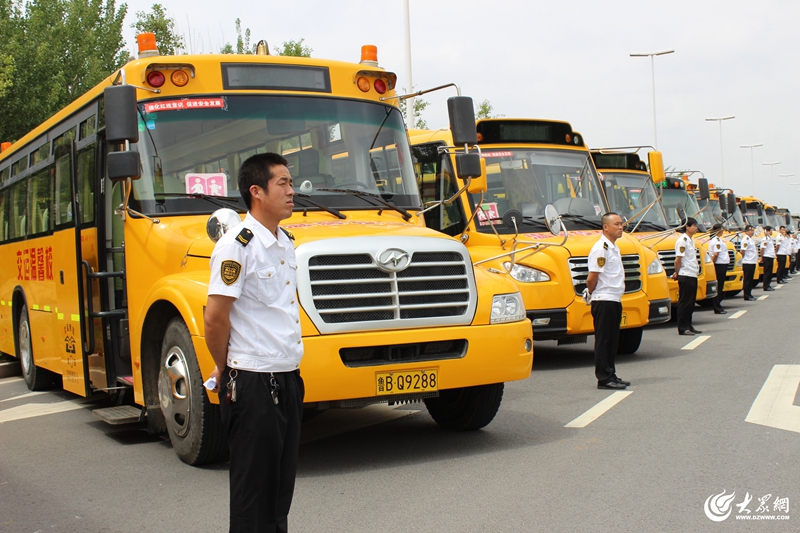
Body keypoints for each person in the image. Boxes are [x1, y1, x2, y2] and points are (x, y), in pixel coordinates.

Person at [204, 152, 304, 533]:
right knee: (253, 500)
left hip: (287, 378)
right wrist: (225, 367)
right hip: (254, 383)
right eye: (283, 183)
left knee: (279, 496)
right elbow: (215, 318)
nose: (291, 191)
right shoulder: (237, 245)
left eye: (291, 183)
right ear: (256, 191)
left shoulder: (285, 242)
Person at [586, 212, 629, 390]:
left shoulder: (612, 247)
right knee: (604, 341)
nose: (621, 227)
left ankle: (611, 374)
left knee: (612, 340)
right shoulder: (601, 248)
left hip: (614, 299)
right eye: (616, 224)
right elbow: (592, 278)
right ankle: (604, 378)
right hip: (604, 299)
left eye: (621, 224)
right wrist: (590, 292)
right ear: (606, 227)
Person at [673, 217, 701, 335]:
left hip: (692, 274)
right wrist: (677, 272)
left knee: (690, 303)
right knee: (684, 303)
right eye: (693, 225)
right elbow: (678, 260)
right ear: (687, 227)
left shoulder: (691, 240)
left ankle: (689, 325)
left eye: (696, 225)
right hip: (686, 274)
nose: (696, 227)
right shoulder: (682, 241)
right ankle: (683, 327)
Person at [708, 223, 729, 314]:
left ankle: (718, 305)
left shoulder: (718, 239)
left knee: (720, 287)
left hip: (721, 264)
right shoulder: (716, 240)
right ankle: (717, 307)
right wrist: (712, 264)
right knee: (718, 287)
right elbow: (716, 254)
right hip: (719, 265)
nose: (723, 231)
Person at [739, 224, 758, 301]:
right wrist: (743, 259)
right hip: (747, 262)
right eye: (751, 230)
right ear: (746, 231)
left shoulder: (750, 239)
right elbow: (742, 251)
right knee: (747, 280)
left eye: (753, 230)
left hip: (752, 262)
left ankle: (749, 294)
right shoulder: (745, 239)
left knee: (750, 280)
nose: (752, 232)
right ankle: (747, 295)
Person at [760, 226, 776, 291]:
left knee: (770, 272)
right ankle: (766, 286)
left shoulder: (769, 238)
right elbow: (762, 249)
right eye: (771, 230)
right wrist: (762, 257)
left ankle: (768, 285)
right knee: (767, 272)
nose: (772, 232)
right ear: (768, 231)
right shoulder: (765, 239)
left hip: (770, 256)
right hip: (767, 257)